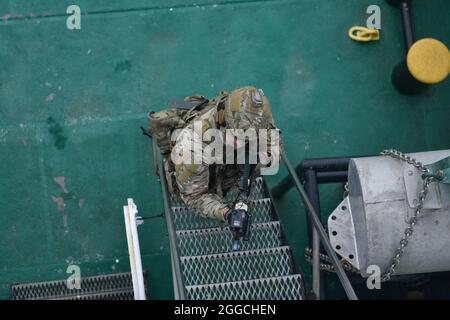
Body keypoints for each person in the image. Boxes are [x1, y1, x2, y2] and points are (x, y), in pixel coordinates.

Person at [166, 86, 281, 224]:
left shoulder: (257, 116)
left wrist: (260, 160)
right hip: (198, 177)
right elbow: (194, 199)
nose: (241, 144)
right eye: (236, 137)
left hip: (224, 167)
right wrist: (226, 213)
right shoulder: (191, 147)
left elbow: (273, 141)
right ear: (223, 122)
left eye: (248, 137)